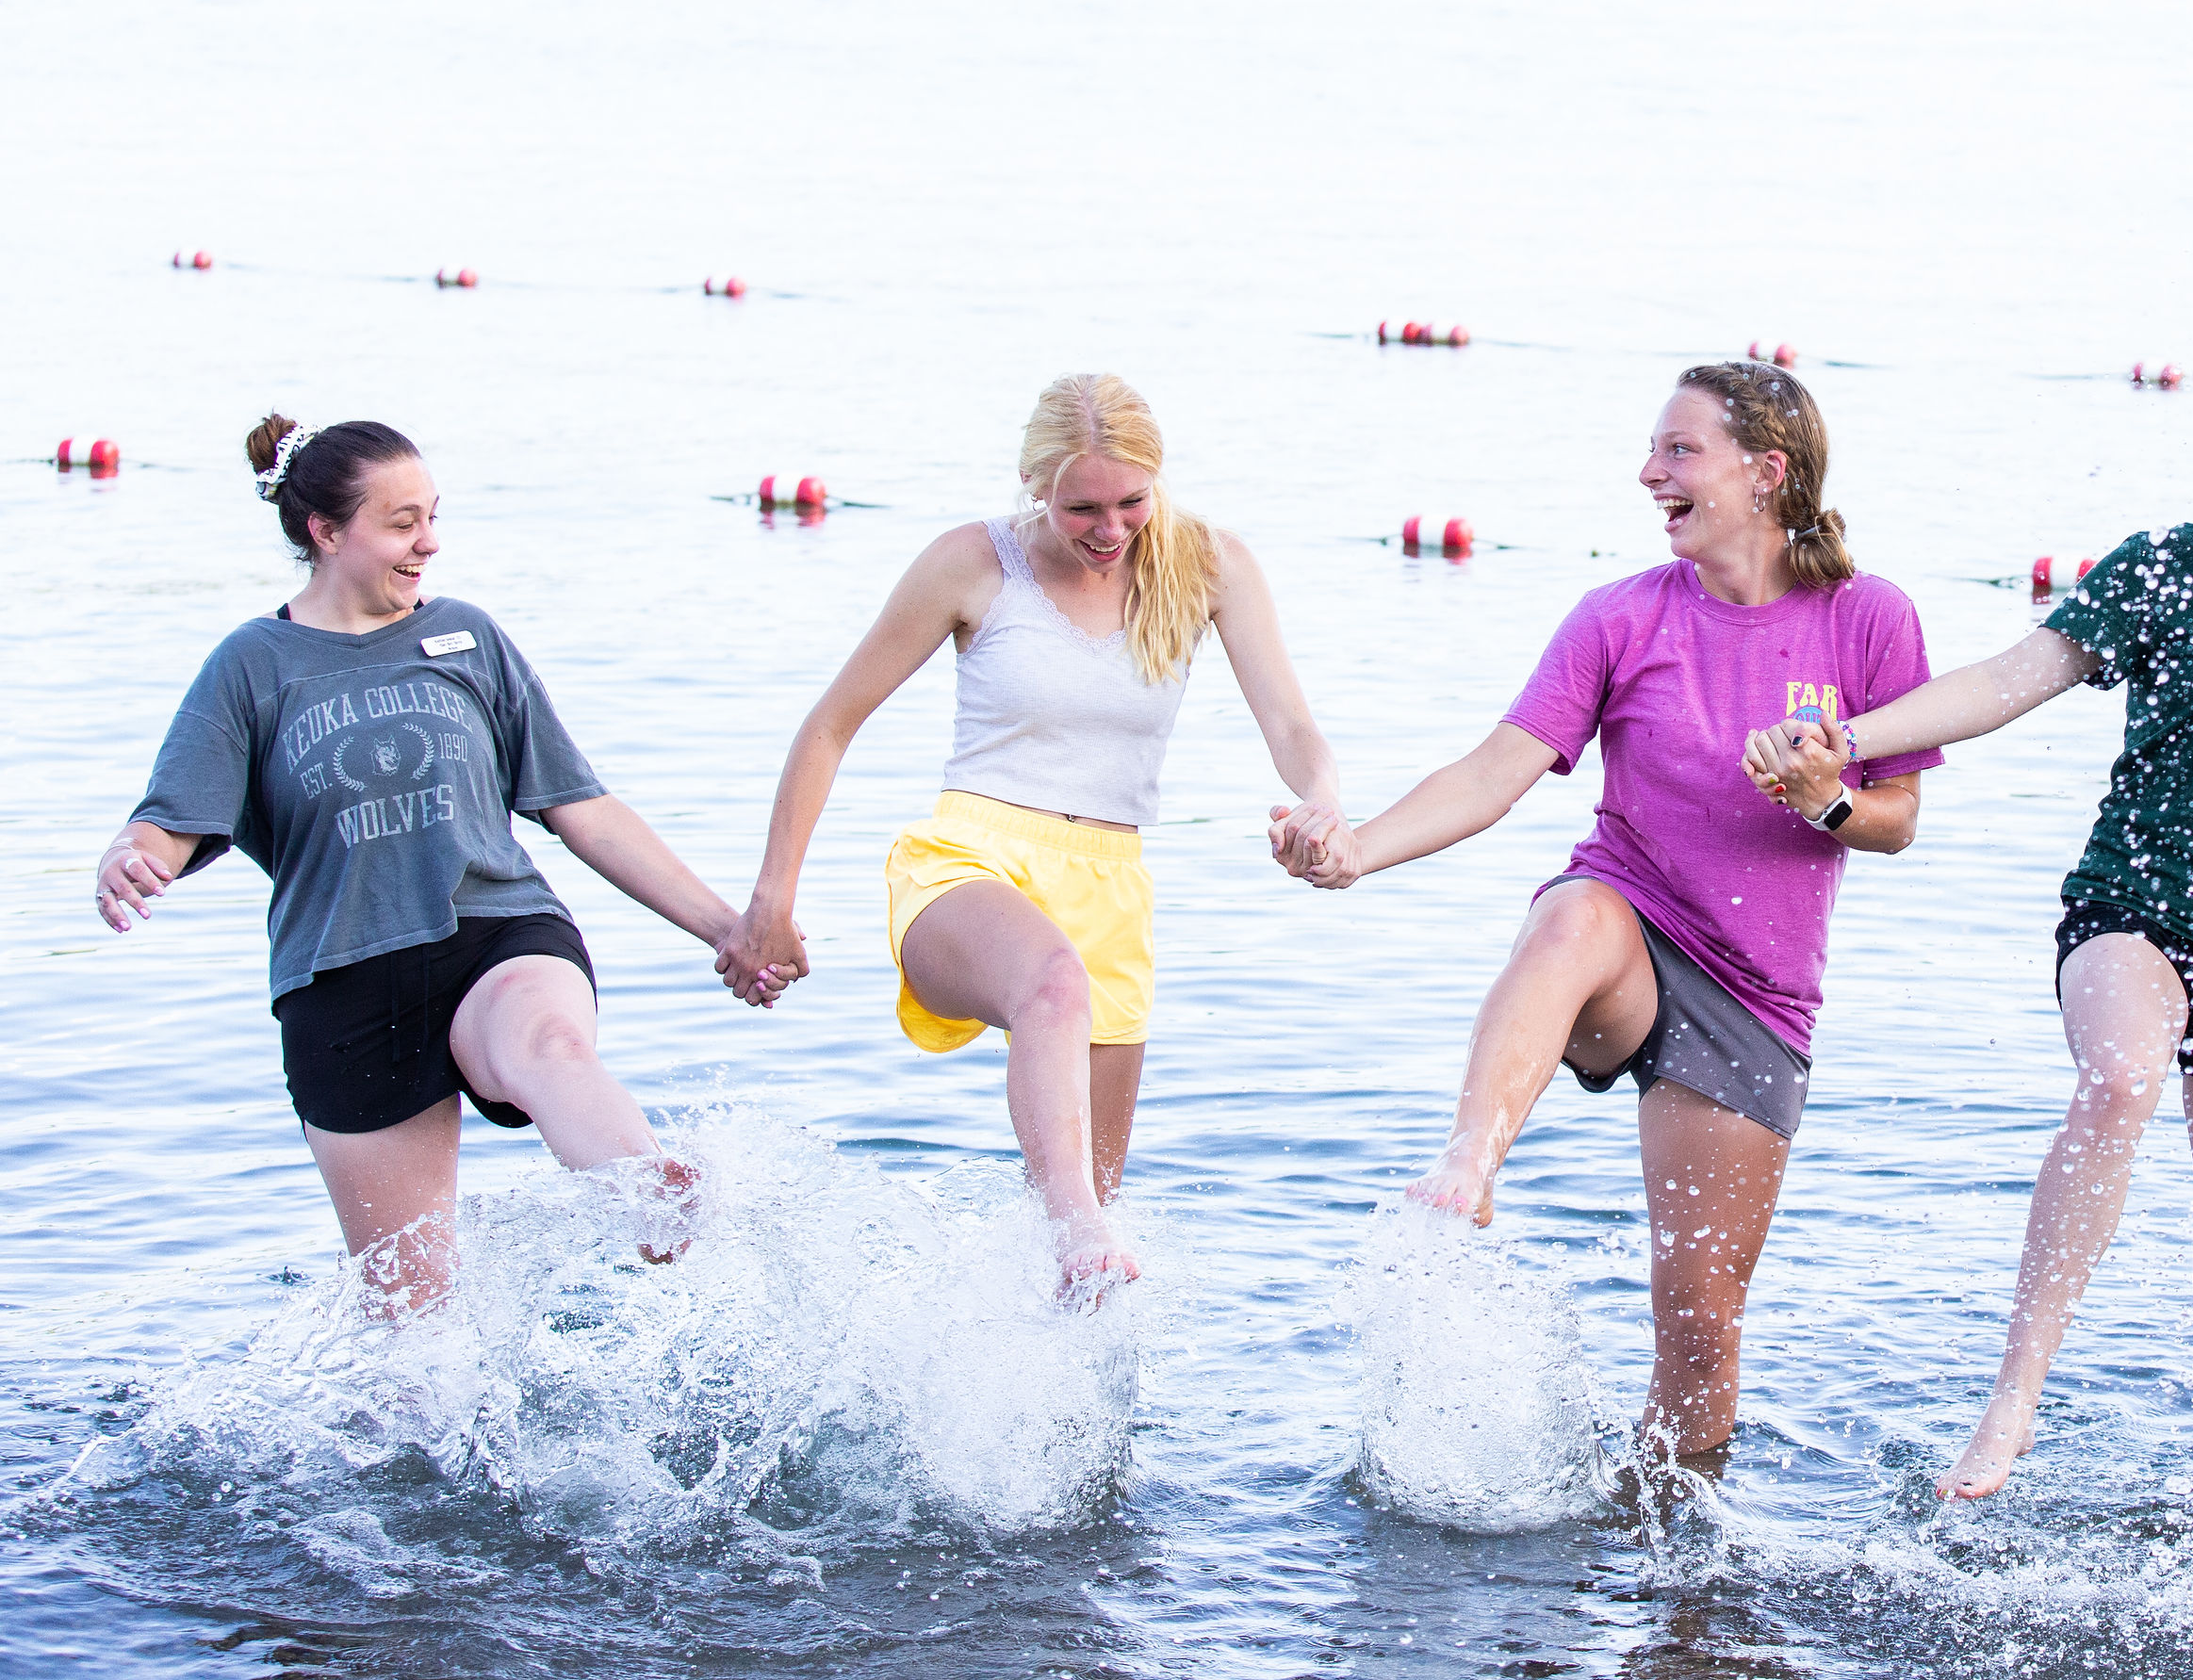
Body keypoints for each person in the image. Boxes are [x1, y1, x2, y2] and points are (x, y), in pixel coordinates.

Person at [1745, 368, 2193, 1498]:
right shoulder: (2168, 568)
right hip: (2138, 907)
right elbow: (2010, 681)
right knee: (2121, 1080)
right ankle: (2013, 1402)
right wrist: (1846, 738)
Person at [1275, 362, 1939, 1461]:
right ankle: (1472, 1165)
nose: (1650, 473)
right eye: (1656, 451)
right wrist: (1356, 854)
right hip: (1626, 936)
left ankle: (1681, 1569)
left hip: (1755, 991)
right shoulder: (1621, 616)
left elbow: (1900, 817)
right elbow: (1494, 773)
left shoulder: (1868, 618)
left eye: (1680, 452)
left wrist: (1827, 802)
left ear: (1765, 472)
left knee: (1697, 1325)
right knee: (1574, 912)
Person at [93, 415, 773, 1315]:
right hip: (341, 983)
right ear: (326, 532)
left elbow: (583, 808)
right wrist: (133, 855)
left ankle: (649, 1197)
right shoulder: (252, 666)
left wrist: (728, 929)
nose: (430, 542)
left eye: (434, 515)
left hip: (492, 931)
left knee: (548, 1045)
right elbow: (173, 820)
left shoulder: (468, 638)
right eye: (403, 521)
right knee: (414, 1316)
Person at [742, 372, 1342, 1304]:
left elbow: (1293, 728)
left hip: (1113, 888)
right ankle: (1073, 1230)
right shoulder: (972, 563)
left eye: (1130, 502)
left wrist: (1323, 800)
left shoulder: (1211, 565)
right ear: (1035, 486)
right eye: (1081, 508)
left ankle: (1054, 1415)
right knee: (1053, 994)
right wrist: (771, 903)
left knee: (1096, 1259)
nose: (1109, 529)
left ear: (1157, 480)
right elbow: (830, 724)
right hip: (970, 862)